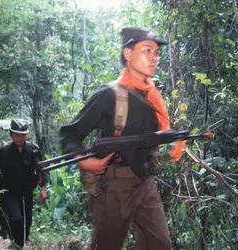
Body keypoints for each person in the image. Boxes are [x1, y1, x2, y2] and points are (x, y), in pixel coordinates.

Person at [59, 27, 182, 250]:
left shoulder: (152, 95)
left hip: (145, 181)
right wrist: (83, 160)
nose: (154, 57)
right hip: (114, 186)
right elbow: (71, 133)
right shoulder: (109, 95)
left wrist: (173, 140)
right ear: (128, 54)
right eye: (147, 50)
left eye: (156, 52)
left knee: (160, 244)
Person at [0, 119, 48, 249]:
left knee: (27, 223)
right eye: (17, 135)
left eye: (23, 135)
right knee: (16, 218)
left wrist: (43, 188)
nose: (20, 138)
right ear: (11, 134)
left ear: (27, 135)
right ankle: (16, 245)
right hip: (9, 192)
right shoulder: (2, 152)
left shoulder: (33, 150)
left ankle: (19, 245)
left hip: (27, 191)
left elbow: (42, 170)